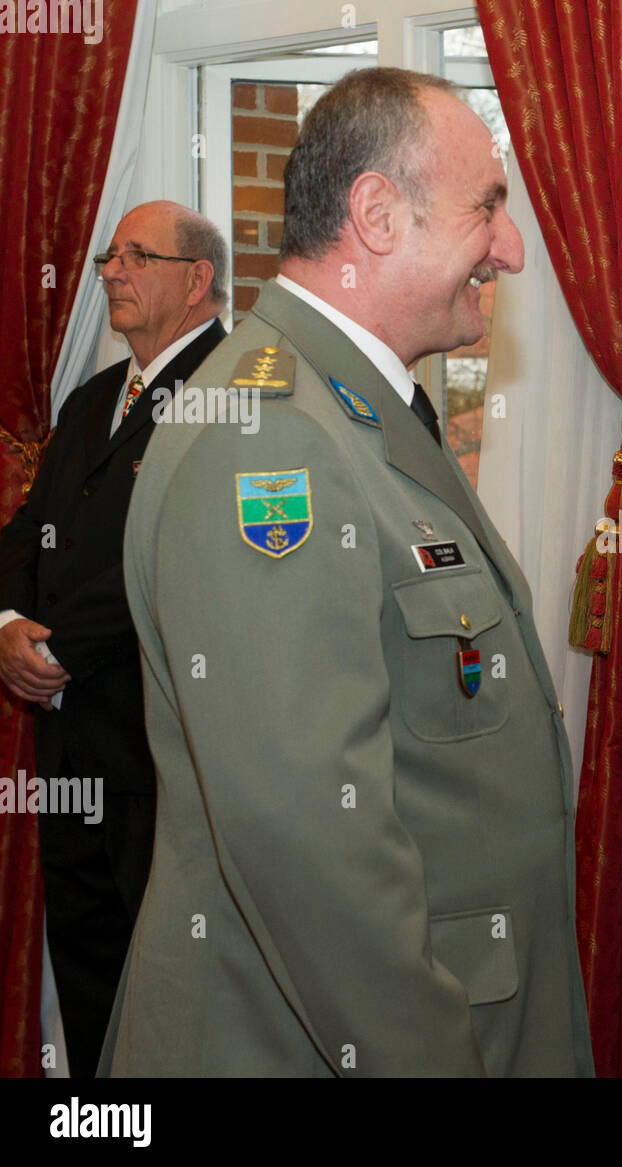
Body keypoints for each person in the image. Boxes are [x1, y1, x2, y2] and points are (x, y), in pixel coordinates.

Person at [99, 68, 592, 1077]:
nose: (512, 248)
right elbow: (307, 843)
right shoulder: (269, 442)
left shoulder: (355, 409)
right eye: (488, 207)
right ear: (375, 215)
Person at [0, 201, 227, 1077]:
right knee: (90, 976)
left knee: (169, 990)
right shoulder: (95, 396)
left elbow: (177, 554)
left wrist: (55, 651)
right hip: (68, 749)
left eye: (137, 255)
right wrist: (10, 623)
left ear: (197, 278)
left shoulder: (230, 392)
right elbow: (27, 531)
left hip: (161, 750)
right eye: (108, 256)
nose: (111, 272)